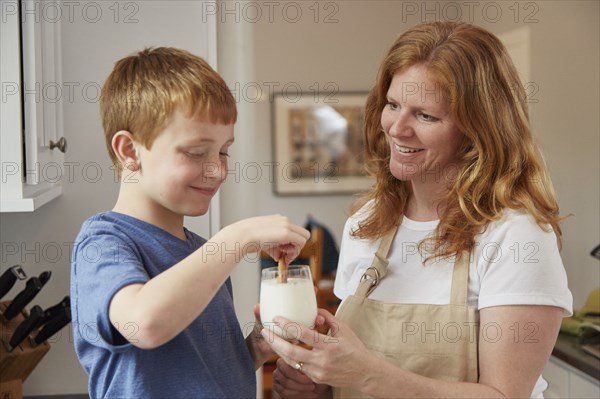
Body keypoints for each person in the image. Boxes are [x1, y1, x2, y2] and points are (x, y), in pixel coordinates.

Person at [263, 21, 573, 399]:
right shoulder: (367, 223)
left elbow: (504, 395)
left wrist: (366, 375)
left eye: (426, 116)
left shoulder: (515, 235)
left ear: (478, 129)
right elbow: (349, 378)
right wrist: (317, 388)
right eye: (393, 105)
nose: (397, 129)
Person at [70, 47, 310, 398]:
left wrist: (258, 347)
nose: (217, 170)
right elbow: (145, 324)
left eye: (224, 151)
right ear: (130, 151)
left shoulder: (200, 252)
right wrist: (237, 237)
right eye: (196, 153)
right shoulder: (104, 241)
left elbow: (204, 371)